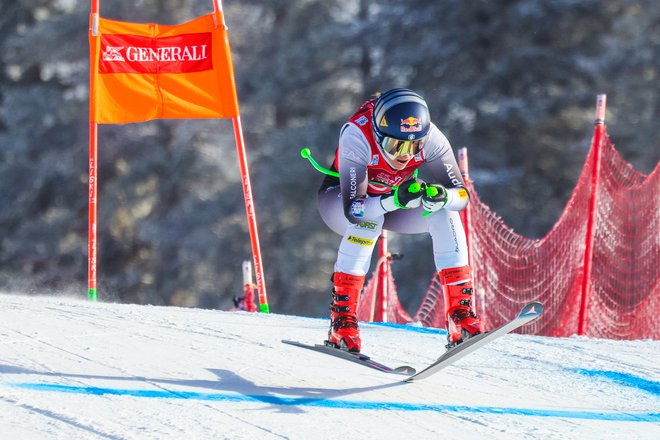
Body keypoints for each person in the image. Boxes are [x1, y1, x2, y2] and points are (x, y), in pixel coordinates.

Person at [317, 88, 483, 352]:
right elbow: (354, 210)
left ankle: (459, 315)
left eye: (414, 146)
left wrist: (442, 196)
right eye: (396, 146)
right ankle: (342, 321)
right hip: (341, 202)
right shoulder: (357, 135)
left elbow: (462, 196)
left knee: (445, 211)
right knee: (369, 222)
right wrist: (394, 200)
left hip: (394, 201)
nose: (405, 154)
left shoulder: (432, 137)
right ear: (379, 134)